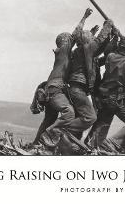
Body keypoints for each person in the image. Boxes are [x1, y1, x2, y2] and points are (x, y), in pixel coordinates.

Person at [39, 8, 93, 146]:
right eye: (69, 40)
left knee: (49, 119)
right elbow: (75, 35)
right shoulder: (63, 51)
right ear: (65, 42)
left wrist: (91, 34)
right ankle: (51, 133)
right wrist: (84, 18)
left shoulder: (64, 54)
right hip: (55, 90)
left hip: (53, 89)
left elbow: (79, 41)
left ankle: (36, 144)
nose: (72, 41)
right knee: (69, 112)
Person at [65, 18, 116, 139]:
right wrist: (108, 25)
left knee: (81, 118)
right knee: (90, 117)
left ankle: (71, 142)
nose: (93, 40)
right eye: (91, 38)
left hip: (77, 89)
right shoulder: (86, 49)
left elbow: (101, 53)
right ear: (87, 41)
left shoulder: (83, 52)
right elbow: (99, 41)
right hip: (78, 89)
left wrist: (113, 39)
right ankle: (57, 130)